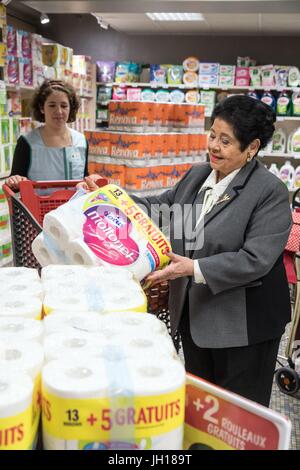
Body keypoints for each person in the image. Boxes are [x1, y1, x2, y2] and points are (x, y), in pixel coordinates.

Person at [81, 95, 292, 407]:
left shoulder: (269, 192)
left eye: (226, 141)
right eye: (212, 135)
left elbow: (255, 260)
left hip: (244, 325)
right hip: (195, 315)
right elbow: (162, 209)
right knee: (202, 405)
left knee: (237, 414)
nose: (214, 147)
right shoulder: (198, 176)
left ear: (252, 148)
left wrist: (192, 268)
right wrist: (112, 197)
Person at [6, 79, 88, 191]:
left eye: (64, 106)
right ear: (41, 107)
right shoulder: (27, 142)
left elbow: (84, 178)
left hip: (75, 207)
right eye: (52, 105)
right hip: (39, 207)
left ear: (71, 108)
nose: (59, 111)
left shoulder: (81, 141)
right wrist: (14, 181)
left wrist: (92, 179)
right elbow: (15, 185)